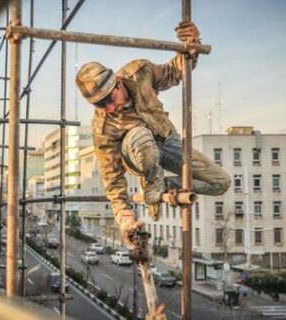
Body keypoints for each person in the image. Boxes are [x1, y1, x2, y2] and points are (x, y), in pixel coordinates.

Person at [75, 22, 231, 247]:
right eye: (100, 105)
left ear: (118, 82)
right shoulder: (103, 128)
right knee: (140, 135)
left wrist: (191, 46)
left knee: (221, 183)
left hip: (168, 141)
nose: (109, 108)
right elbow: (113, 181)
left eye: (109, 99)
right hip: (138, 153)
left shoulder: (140, 73)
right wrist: (126, 220)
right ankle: (152, 179)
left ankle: (160, 187)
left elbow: (173, 73)